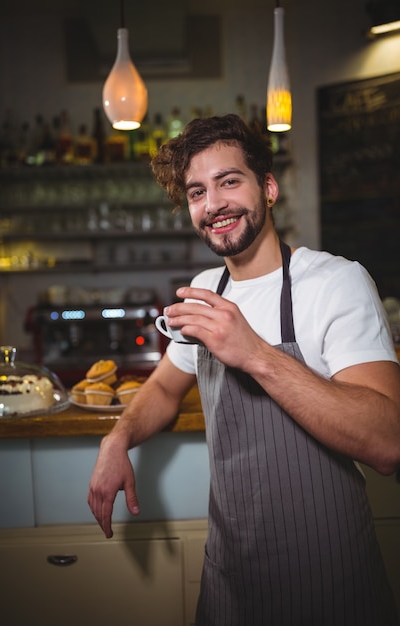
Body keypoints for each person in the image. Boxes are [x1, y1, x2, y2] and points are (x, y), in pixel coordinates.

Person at [88, 114, 400, 625]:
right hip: (231, 579)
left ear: (269, 187)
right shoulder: (207, 288)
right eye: (196, 192)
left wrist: (253, 352)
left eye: (229, 181)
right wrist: (116, 439)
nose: (213, 205)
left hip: (331, 580)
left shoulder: (335, 282)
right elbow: (166, 388)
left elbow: (387, 442)